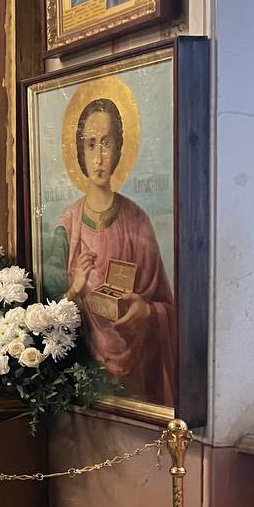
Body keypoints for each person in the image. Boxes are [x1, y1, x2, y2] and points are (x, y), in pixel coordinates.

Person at [43, 96, 175, 406]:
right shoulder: (67, 228)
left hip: (138, 378)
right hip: (83, 382)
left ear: (118, 149)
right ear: (80, 152)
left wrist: (147, 311)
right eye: (91, 144)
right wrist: (75, 288)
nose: (99, 156)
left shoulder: (138, 222)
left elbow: (168, 308)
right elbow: (45, 316)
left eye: (107, 142)